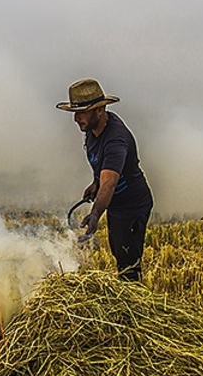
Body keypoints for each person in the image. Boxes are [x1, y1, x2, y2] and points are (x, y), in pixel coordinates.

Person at [57, 78, 154, 281]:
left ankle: (134, 305)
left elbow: (110, 182)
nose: (76, 118)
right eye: (75, 112)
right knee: (119, 253)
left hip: (132, 205)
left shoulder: (115, 140)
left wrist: (95, 214)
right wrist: (95, 184)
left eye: (82, 112)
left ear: (99, 110)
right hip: (117, 204)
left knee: (128, 263)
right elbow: (102, 170)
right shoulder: (92, 131)